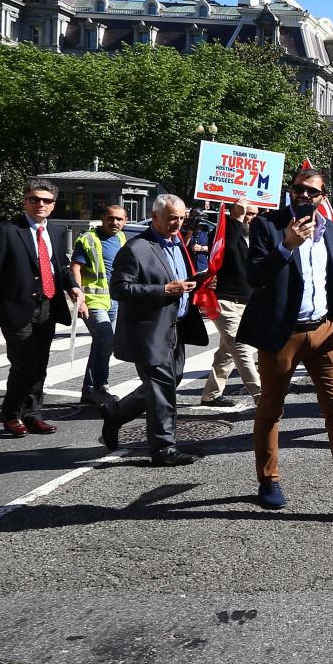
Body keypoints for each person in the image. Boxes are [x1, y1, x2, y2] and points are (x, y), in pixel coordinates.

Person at [237, 167, 333, 513]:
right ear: (290, 191)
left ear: (324, 198)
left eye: (312, 192)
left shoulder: (325, 231)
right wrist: (287, 246)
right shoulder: (268, 225)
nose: (304, 197)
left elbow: (330, 278)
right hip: (282, 334)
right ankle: (269, 481)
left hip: (325, 332)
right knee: (271, 410)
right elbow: (256, 276)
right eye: (298, 190)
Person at [99, 194, 208, 466]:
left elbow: (183, 278)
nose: (178, 223)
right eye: (172, 218)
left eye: (181, 218)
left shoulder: (178, 243)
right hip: (149, 331)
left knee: (171, 381)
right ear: (155, 215)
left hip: (177, 327)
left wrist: (200, 283)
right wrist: (163, 291)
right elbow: (119, 289)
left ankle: (117, 413)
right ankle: (163, 448)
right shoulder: (137, 248)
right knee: (162, 390)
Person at [0, 179, 86, 437]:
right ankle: (10, 413)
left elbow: (59, 265)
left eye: (46, 201)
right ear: (25, 201)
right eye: (35, 199)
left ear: (53, 205)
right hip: (16, 307)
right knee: (24, 363)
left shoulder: (57, 232)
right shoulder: (7, 230)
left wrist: (73, 286)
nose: (40, 204)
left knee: (40, 365)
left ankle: (33, 413)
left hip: (47, 305)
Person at [199, 200, 263, 408]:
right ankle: (263, 400)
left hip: (248, 304)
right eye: (245, 213)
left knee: (226, 352)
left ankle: (211, 394)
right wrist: (235, 217)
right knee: (243, 351)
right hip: (225, 303)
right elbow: (224, 252)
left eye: (253, 214)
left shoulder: (255, 237)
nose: (249, 217)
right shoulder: (222, 233)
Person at [71, 205, 129, 407]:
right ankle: (100, 388)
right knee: (105, 340)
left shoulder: (121, 238)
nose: (115, 223)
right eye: (111, 218)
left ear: (125, 220)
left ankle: (89, 390)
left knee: (102, 344)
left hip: (114, 300)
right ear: (103, 218)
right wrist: (78, 298)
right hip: (92, 300)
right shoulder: (88, 239)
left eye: (119, 219)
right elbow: (75, 268)